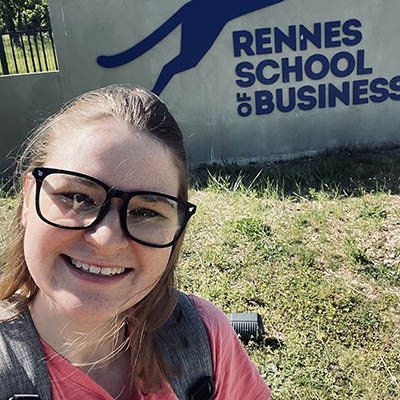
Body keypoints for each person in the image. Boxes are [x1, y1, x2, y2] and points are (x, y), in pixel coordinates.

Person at [0, 85, 271, 399]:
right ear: (27, 199)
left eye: (146, 210)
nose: (106, 239)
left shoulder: (207, 337)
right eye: (78, 197)